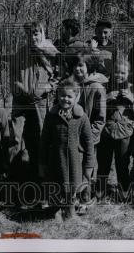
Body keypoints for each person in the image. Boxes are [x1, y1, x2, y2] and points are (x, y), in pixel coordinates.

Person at [8, 21, 58, 203]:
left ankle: (42, 185)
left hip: (40, 102)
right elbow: (12, 77)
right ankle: (16, 184)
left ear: (42, 34)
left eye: (36, 33)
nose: (33, 37)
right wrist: (20, 88)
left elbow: (58, 76)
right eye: (29, 34)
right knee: (15, 139)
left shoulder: (50, 53)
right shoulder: (20, 53)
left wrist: (46, 87)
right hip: (21, 103)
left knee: (41, 139)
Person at [40, 79, 94, 221]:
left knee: (72, 186)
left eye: (69, 96)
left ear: (76, 97)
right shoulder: (51, 116)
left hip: (75, 160)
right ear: (57, 96)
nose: (65, 99)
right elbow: (44, 140)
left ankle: (70, 212)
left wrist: (89, 165)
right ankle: (56, 211)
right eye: (62, 95)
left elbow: (89, 142)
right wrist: (42, 162)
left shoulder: (81, 118)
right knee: (56, 184)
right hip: (55, 159)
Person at [97, 59, 134, 202]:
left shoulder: (133, 88)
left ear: (128, 73)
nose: (119, 75)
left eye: (123, 72)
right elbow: (94, 107)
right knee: (103, 163)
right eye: (117, 72)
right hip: (107, 131)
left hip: (124, 133)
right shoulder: (104, 87)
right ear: (112, 72)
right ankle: (100, 191)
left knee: (122, 163)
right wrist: (106, 98)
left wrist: (132, 99)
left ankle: (124, 191)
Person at [68, 51, 107, 208]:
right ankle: (73, 196)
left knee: (88, 166)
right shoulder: (70, 85)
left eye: (81, 66)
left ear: (88, 67)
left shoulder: (97, 88)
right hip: (72, 135)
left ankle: (86, 197)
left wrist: (91, 135)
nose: (78, 69)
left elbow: (100, 117)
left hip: (89, 135)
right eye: (75, 66)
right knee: (73, 164)